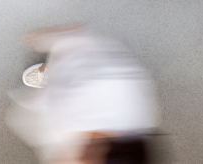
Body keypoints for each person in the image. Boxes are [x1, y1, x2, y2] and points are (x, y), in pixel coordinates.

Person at [8, 24, 159, 164]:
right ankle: (51, 64)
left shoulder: (74, 140)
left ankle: (51, 69)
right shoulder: (108, 89)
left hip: (74, 85)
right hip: (78, 63)